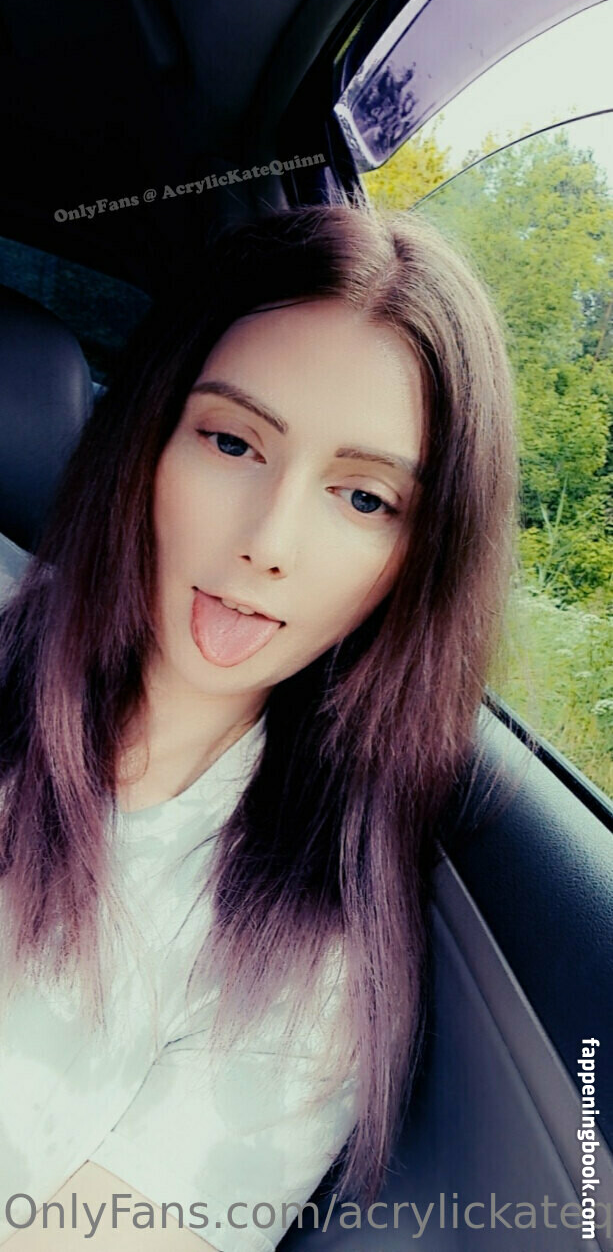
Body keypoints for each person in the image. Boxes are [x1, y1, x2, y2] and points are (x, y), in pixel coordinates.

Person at [0, 200, 517, 1249]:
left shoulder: (298, 974)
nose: (268, 541)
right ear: (150, 436)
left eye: (363, 499)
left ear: (421, 557)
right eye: (232, 441)